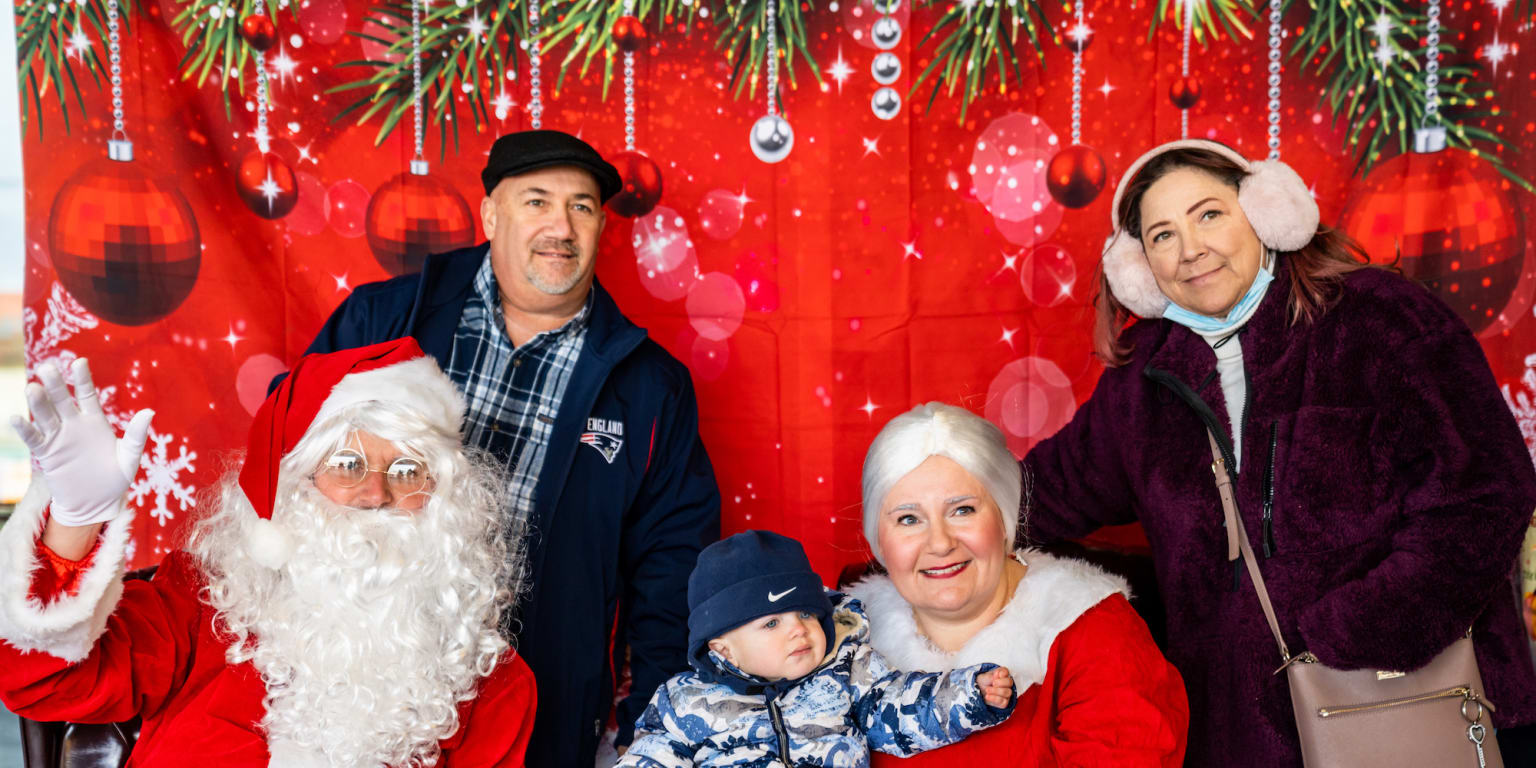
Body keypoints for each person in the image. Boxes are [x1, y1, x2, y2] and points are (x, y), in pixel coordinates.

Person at [1020, 138, 1536, 765]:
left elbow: (1486, 491)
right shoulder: (1139, 384)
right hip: (1236, 738)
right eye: (1161, 235)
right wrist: (934, 505)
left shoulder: (1382, 319)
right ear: (1139, 268)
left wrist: (1356, 627)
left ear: (1266, 212)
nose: (1191, 250)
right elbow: (1039, 495)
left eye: (1208, 214)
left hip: (1407, 708)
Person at [293, 129, 721, 763]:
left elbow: (671, 563)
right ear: (492, 214)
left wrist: (655, 721)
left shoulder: (650, 386)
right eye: (537, 202)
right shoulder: (381, 321)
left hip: (544, 701)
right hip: (363, 674)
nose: (562, 226)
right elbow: (289, 464)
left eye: (581, 207)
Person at [0, 339, 535, 766]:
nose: (377, 496)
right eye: (348, 466)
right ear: (294, 487)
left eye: (406, 471)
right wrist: (75, 522)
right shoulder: (204, 601)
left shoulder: (496, 686)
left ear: (444, 496)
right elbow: (45, 682)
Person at [844, 402, 1189, 766]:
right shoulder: (838, 642)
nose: (940, 543)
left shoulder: (1093, 632)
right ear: (878, 541)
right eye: (909, 519)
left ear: (1004, 518)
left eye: (962, 510)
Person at [620, 530, 1017, 767]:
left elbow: (899, 706)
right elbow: (652, 756)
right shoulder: (686, 701)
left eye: (807, 614)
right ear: (724, 649)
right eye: (772, 623)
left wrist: (968, 694)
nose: (799, 631)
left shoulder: (846, 670)